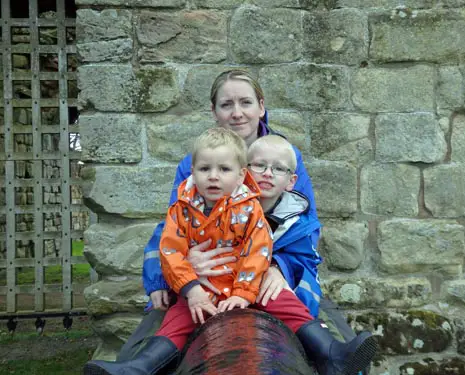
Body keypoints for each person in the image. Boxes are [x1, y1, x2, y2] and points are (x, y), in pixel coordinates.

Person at [84, 131, 378, 375]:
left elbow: (258, 250)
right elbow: (170, 252)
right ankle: (141, 367)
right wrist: (191, 288)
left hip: (246, 286)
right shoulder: (181, 211)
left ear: (240, 176)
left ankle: (330, 354)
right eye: (204, 169)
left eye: (223, 170)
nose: (213, 177)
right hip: (205, 286)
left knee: (287, 304)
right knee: (177, 320)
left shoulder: (250, 210)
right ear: (192, 172)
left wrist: (243, 292)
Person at [116, 69, 320, 362]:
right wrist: (168, 276)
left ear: (261, 107)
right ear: (214, 111)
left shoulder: (284, 156)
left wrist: (279, 267)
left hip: (270, 266)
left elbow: (304, 225)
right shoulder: (197, 162)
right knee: (164, 322)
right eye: (227, 105)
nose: (237, 113)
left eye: (246, 103)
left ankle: (329, 354)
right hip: (208, 270)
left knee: (298, 321)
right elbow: (175, 222)